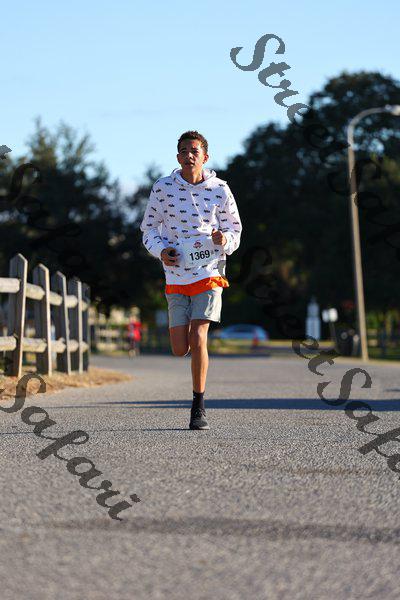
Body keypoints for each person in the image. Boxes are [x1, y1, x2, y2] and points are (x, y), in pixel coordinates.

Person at [140, 131, 242, 430]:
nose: (189, 155)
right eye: (184, 151)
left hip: (209, 272)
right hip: (176, 274)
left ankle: (199, 406)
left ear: (205, 157)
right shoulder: (163, 188)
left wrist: (225, 240)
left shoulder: (220, 189)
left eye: (194, 151)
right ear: (177, 157)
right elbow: (149, 229)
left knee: (199, 337)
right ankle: (197, 396)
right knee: (179, 348)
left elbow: (234, 230)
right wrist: (161, 251)